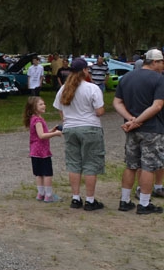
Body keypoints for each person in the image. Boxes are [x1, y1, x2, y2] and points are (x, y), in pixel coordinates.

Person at [111, 48, 164, 214]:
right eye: (162, 62)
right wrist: (138, 121)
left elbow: (117, 102)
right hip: (152, 129)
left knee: (131, 165)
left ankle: (125, 200)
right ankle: (144, 204)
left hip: (131, 130)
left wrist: (130, 119)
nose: (163, 65)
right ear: (154, 62)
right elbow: (157, 106)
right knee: (149, 166)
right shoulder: (159, 79)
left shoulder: (127, 77)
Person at [53, 57, 106, 211]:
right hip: (90, 127)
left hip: (70, 128)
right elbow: (99, 111)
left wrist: (67, 120)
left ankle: (75, 198)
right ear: (84, 70)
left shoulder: (64, 89)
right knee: (90, 163)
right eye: (87, 69)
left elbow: (60, 109)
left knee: (74, 163)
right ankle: (90, 200)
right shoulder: (92, 88)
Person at [24, 96, 63, 202]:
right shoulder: (38, 120)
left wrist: (51, 130)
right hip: (42, 152)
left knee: (39, 173)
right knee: (47, 173)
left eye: (44, 103)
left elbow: (40, 133)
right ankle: (48, 195)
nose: (44, 106)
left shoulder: (34, 118)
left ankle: (41, 194)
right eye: (40, 104)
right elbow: (41, 136)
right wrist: (55, 134)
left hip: (35, 151)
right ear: (33, 107)